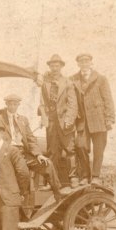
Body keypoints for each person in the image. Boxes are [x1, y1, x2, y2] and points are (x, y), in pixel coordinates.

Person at [0, 94, 67, 202]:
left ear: (18, 105)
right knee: (24, 172)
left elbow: (30, 138)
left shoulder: (23, 119)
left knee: (47, 164)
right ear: (6, 104)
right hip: (9, 153)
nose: (12, 106)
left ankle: (58, 193)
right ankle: (23, 199)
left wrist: (39, 154)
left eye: (15, 104)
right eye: (10, 104)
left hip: (23, 153)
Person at [71, 53, 115, 186]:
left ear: (91, 63)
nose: (84, 64)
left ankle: (95, 176)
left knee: (98, 149)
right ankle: (85, 175)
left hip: (99, 120)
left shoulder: (101, 79)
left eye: (86, 61)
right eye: (81, 62)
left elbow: (108, 99)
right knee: (80, 146)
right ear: (78, 64)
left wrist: (109, 118)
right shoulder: (73, 79)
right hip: (82, 120)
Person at [38, 54, 80, 186]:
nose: (54, 68)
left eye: (57, 66)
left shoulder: (68, 83)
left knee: (70, 150)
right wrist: (43, 117)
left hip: (65, 122)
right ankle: (53, 181)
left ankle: (73, 177)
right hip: (51, 122)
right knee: (52, 152)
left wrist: (69, 120)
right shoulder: (45, 83)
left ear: (61, 67)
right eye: (52, 66)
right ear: (49, 67)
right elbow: (42, 103)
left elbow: (73, 104)